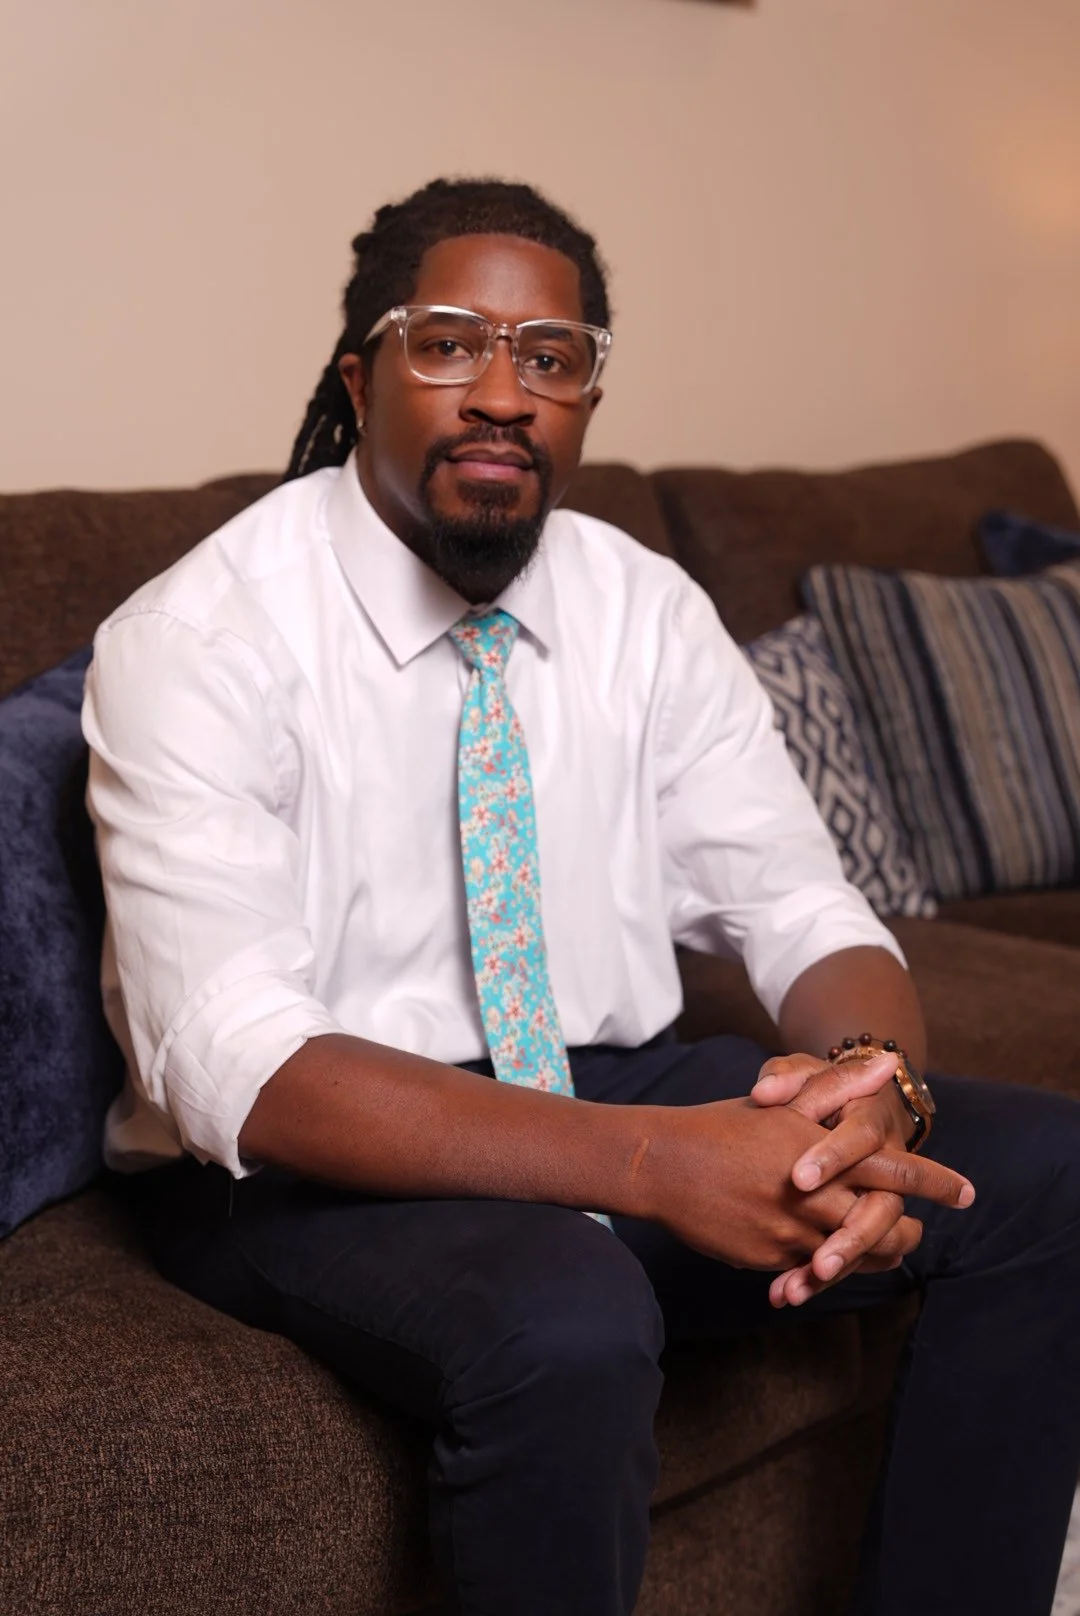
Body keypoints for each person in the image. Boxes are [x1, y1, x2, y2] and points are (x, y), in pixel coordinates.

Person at [82, 177, 1080, 1616]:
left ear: (587, 398)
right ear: (361, 375)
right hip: (309, 1149)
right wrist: (653, 1164)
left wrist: (875, 1083)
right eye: (448, 343)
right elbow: (248, 1067)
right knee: (571, 1311)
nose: (504, 392)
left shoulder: (646, 609)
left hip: (603, 1065)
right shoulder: (199, 638)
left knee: (1045, 1175)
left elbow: (802, 903)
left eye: (551, 357)